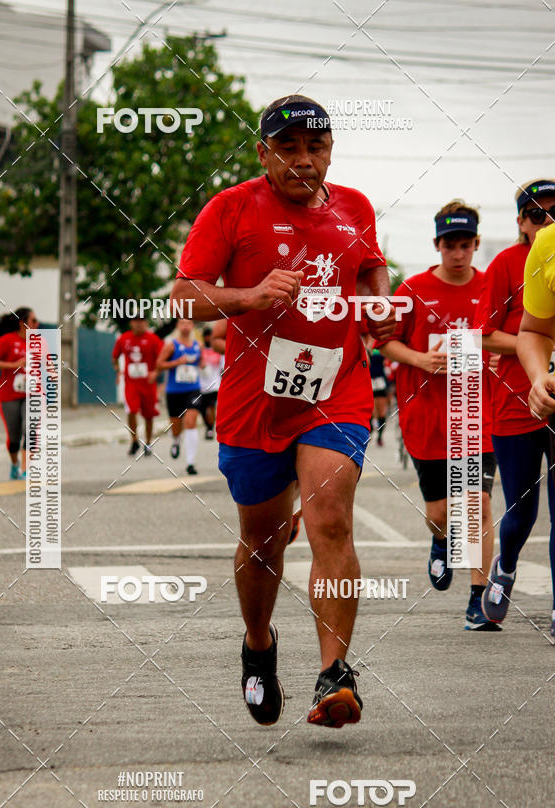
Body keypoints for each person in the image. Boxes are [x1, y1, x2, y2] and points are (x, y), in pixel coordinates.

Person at [170, 94, 394, 728]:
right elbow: (184, 298)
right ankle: (259, 644)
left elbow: (372, 269)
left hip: (335, 389)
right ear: (262, 153)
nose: (303, 160)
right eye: (288, 148)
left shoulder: (355, 207)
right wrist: (249, 294)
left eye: (315, 147)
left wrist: (378, 306)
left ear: (330, 150)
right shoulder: (231, 208)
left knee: (329, 519)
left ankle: (334, 675)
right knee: (264, 540)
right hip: (255, 400)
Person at [378, 201, 498, 630]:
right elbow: (383, 343)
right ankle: (441, 541)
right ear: (437, 245)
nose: (459, 253)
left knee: (476, 504)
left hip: (475, 413)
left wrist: (496, 355)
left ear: (476, 244)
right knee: (441, 513)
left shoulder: (491, 288)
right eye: (450, 245)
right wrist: (420, 360)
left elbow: (507, 338)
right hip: (425, 414)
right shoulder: (410, 290)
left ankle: (478, 599)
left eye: (466, 245)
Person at [474, 179, 555, 630]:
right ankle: (505, 564)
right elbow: (486, 334)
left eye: (554, 211)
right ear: (521, 222)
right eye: (538, 214)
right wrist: (541, 357)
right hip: (514, 399)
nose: (547, 220)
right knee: (522, 506)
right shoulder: (507, 263)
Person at [515, 221, 555, 638]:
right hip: (513, 414)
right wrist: (539, 376)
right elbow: (534, 331)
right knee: (522, 511)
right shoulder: (549, 243)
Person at [0, 307, 39, 479]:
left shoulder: (39, 342)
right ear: (22, 323)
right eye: (33, 321)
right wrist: (15, 365)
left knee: (30, 429)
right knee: (14, 436)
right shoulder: (7, 340)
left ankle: (26, 469)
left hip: (32, 394)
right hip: (8, 395)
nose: (37, 324)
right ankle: (15, 465)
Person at [112, 316, 163, 456]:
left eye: (142, 320)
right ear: (131, 323)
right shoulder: (124, 338)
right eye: (136, 320)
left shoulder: (153, 339)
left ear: (146, 323)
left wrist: (156, 372)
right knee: (131, 410)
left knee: (149, 414)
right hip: (131, 383)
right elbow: (115, 356)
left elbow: (162, 358)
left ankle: (147, 442)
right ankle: (134, 440)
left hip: (148, 383)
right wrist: (117, 371)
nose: (139, 323)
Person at [158, 318, 203, 475]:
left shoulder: (198, 345)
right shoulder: (171, 345)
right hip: (174, 391)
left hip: (193, 389)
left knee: (191, 422)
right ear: (178, 326)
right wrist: (177, 362)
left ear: (192, 326)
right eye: (182, 323)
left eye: (189, 323)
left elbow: (201, 362)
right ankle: (176, 440)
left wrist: (203, 364)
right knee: (176, 426)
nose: (186, 326)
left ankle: (191, 462)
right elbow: (159, 364)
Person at [198, 326, 224, 439]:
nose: (208, 338)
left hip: (215, 384)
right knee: (202, 408)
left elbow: (223, 366)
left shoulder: (217, 349)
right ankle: (207, 425)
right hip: (201, 385)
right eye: (206, 336)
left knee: (211, 406)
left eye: (210, 336)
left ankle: (210, 429)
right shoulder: (200, 350)